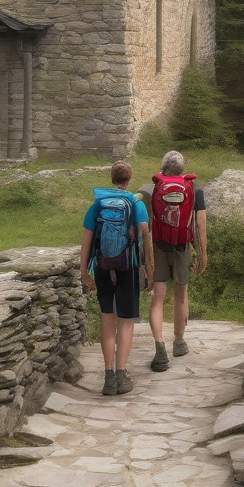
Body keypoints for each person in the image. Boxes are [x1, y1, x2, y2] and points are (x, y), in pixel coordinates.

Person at [80, 161, 152, 396]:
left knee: (107, 318)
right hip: (128, 267)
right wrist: (149, 268)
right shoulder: (135, 204)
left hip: (102, 266)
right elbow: (145, 237)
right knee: (126, 320)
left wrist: (84, 271)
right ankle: (122, 374)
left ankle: (108, 378)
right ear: (129, 180)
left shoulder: (98, 204)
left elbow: (87, 239)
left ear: (112, 178)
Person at [144, 150, 208, 372]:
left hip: (158, 246)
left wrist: (145, 256)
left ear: (162, 169)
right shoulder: (194, 190)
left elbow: (144, 224)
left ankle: (159, 347)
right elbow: (200, 224)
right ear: (182, 170)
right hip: (182, 247)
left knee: (158, 297)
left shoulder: (151, 188)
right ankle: (179, 342)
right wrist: (202, 254)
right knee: (181, 295)